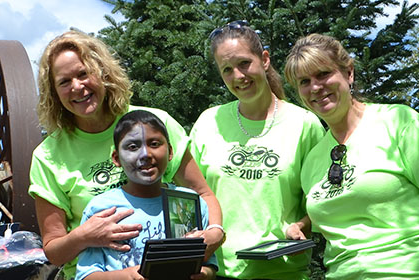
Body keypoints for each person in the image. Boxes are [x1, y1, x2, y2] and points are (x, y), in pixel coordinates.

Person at [28, 30, 224, 280]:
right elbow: (54, 250)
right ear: (54, 92)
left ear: (102, 73)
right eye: (64, 82)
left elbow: (202, 194)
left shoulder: (154, 123)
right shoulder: (48, 156)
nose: (77, 87)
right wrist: (86, 235)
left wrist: (215, 232)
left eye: (83, 73)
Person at [189, 21, 325, 279]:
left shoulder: (304, 124)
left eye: (244, 63)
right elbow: (190, 196)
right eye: (227, 69)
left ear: (264, 59)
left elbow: (325, 199)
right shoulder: (208, 122)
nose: (238, 76)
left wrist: (302, 226)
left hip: (284, 272)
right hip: (217, 272)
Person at [284, 33, 419, 279]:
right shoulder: (313, 160)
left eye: (323, 74)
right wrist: (301, 226)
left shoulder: (399, 123)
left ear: (348, 73)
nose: (315, 87)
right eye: (304, 81)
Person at [75, 110, 217, 280]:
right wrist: (126, 276)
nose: (145, 155)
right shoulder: (102, 209)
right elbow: (86, 276)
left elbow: (208, 264)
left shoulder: (188, 203)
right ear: (116, 158)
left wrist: (205, 274)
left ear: (170, 152)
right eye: (133, 147)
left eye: (155, 144)